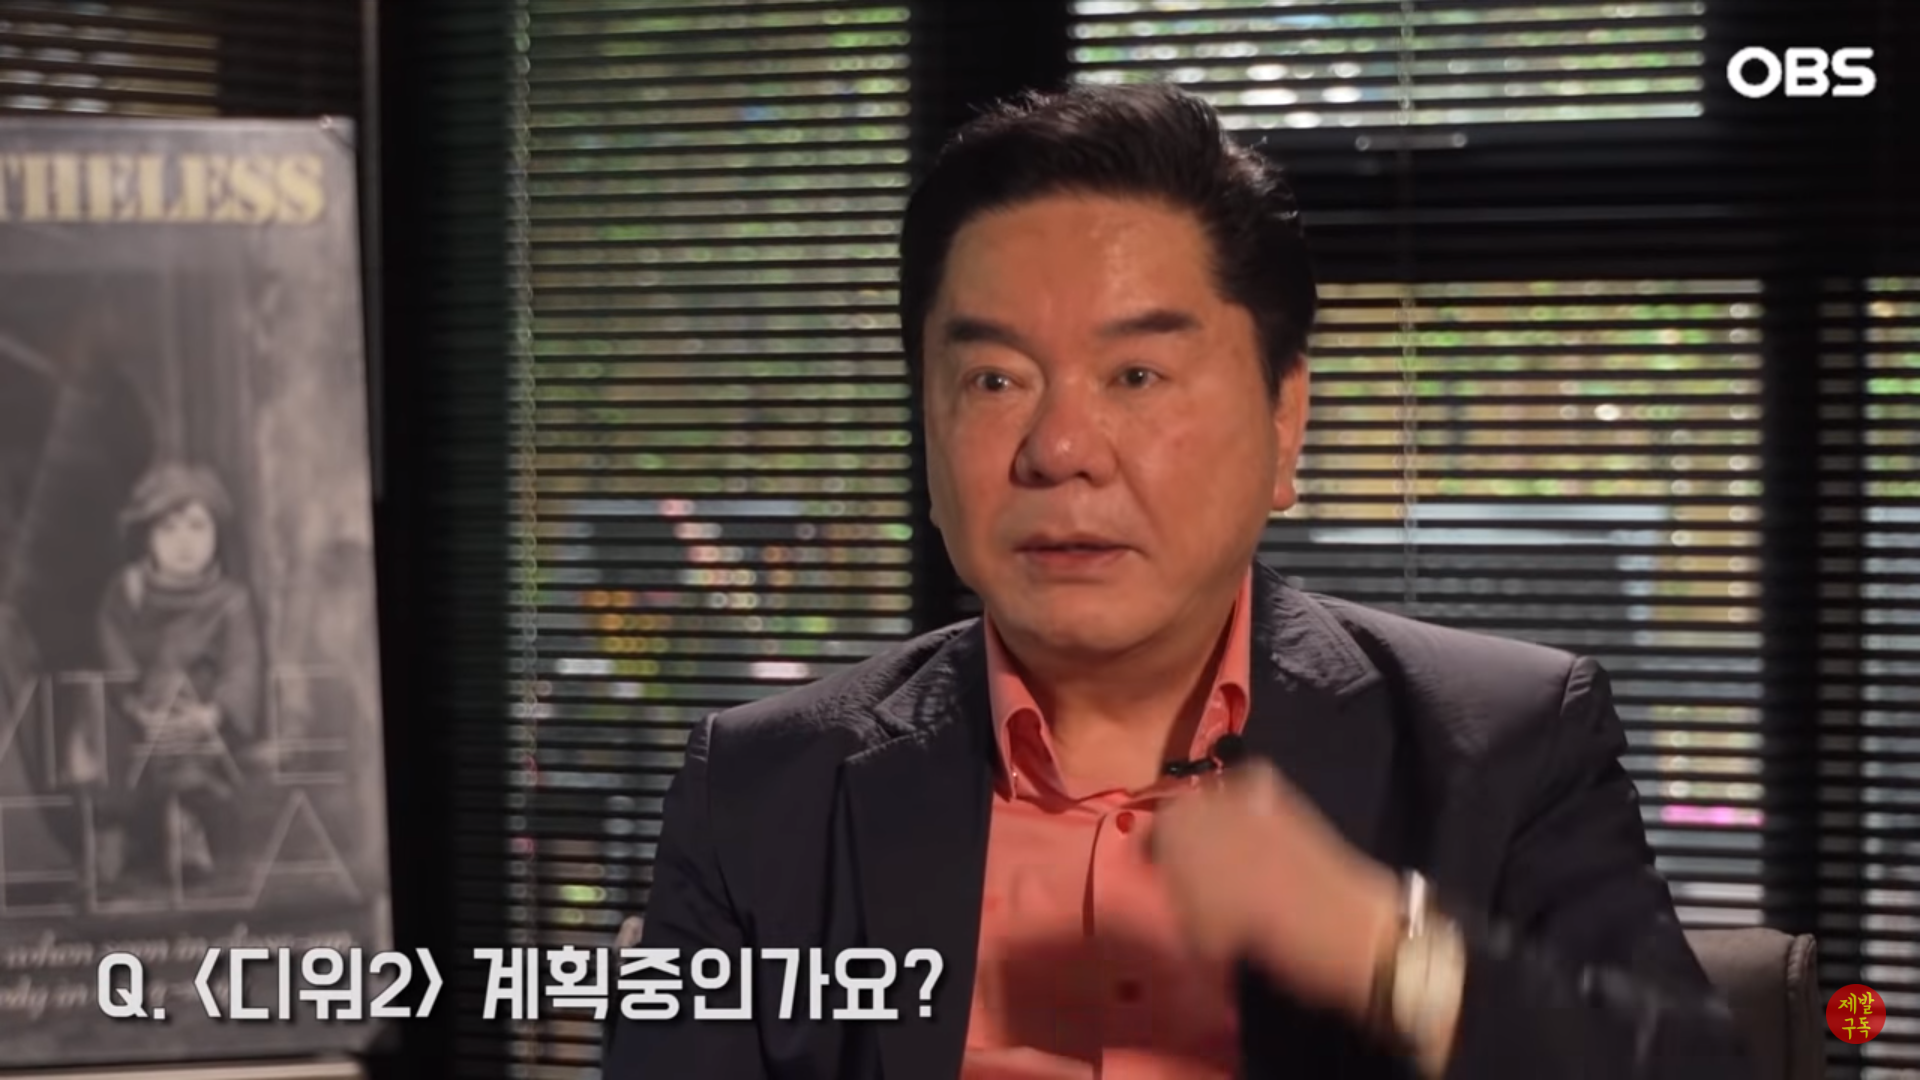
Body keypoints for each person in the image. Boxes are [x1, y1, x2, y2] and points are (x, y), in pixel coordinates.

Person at [605, 84, 1753, 1079]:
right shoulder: (760, 792)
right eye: (995, 379)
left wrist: (1377, 949)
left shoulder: (1501, 744)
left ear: (1285, 420)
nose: (1060, 449)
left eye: (1137, 374)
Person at [90, 461, 262, 891]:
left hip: (199, 714)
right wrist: (135, 705)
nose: (185, 542)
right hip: (133, 709)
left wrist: (214, 713)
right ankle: (112, 830)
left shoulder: (231, 600)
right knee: (96, 715)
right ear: (146, 537)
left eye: (197, 526)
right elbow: (115, 651)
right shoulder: (127, 592)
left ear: (217, 533)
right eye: (168, 529)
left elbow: (242, 665)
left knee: (179, 709)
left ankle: (186, 823)